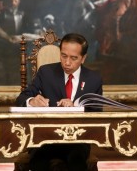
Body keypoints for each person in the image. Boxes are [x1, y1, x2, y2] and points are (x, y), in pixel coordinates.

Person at [15, 33, 103, 171]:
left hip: (77, 140)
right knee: (39, 161)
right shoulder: (46, 72)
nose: (67, 62)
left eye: (73, 58)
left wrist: (76, 107)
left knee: (77, 161)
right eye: (63, 56)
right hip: (45, 138)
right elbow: (21, 98)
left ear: (83, 58)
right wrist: (31, 101)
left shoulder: (93, 79)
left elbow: (97, 114)